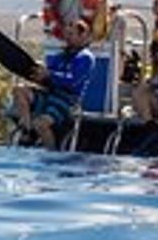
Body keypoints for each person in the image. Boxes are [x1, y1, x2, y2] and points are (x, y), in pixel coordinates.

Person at [8, 18, 96, 149]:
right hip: (50, 94)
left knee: (41, 124)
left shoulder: (85, 58)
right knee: (19, 90)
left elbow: (72, 81)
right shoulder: (60, 56)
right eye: (66, 34)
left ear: (82, 36)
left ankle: (51, 153)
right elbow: (49, 74)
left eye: (71, 34)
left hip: (68, 100)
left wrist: (50, 75)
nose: (67, 38)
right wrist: (37, 74)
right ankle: (27, 130)